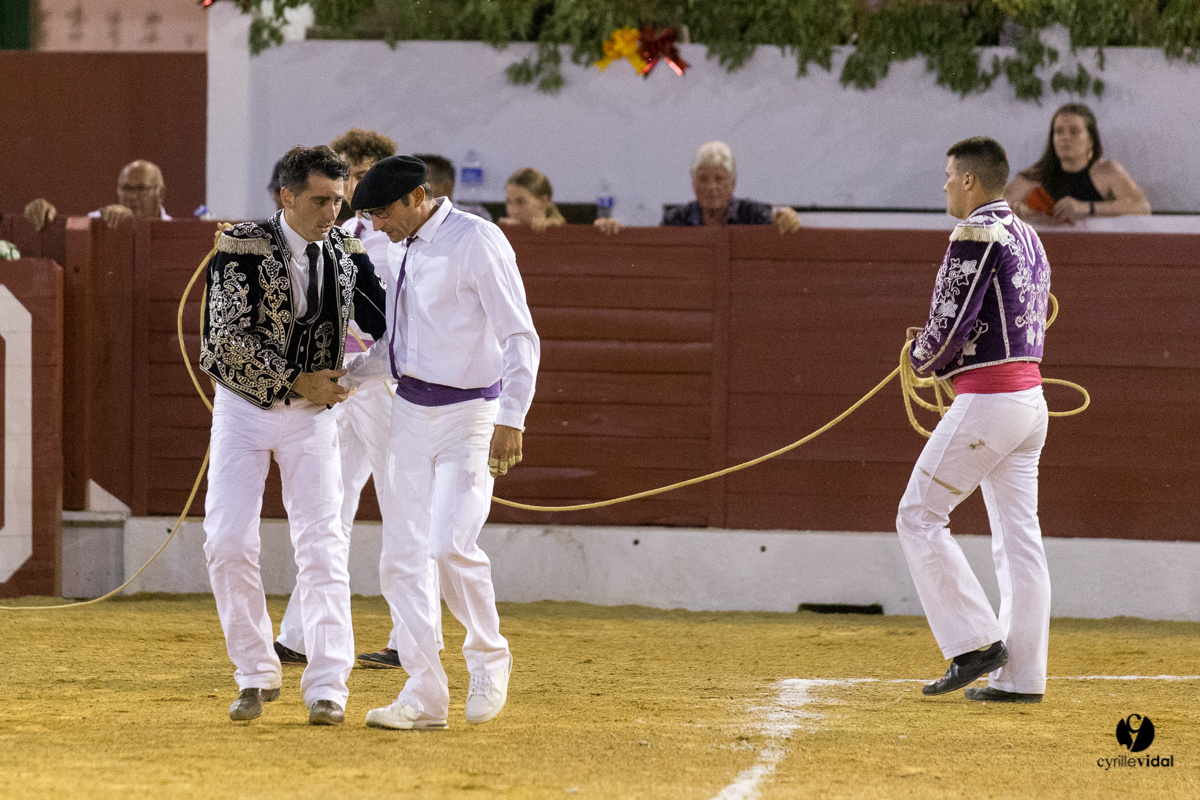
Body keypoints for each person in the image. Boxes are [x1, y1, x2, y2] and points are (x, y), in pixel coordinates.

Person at [345, 155, 539, 730]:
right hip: (408, 410)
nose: (376, 226)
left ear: (417, 197)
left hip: (472, 414)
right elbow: (396, 343)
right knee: (402, 559)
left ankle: (489, 656)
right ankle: (425, 695)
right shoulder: (400, 245)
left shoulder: (478, 241)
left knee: (450, 543)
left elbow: (519, 335)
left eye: (381, 213)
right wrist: (346, 376)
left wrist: (513, 416)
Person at [199, 144, 387, 726]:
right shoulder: (240, 246)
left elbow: (385, 325)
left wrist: (348, 376)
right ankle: (254, 673)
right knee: (227, 541)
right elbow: (222, 343)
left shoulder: (349, 251)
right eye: (319, 200)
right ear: (286, 196)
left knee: (323, 544)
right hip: (246, 410)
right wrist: (297, 379)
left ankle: (329, 684)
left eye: (338, 200)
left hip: (313, 419)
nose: (333, 212)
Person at [899, 137, 1051, 704]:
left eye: (947, 176)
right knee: (1019, 541)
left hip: (989, 401)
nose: (942, 186)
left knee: (917, 515)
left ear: (968, 180)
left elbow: (951, 320)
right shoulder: (1030, 236)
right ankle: (1022, 677)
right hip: (1029, 403)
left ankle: (975, 644)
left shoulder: (975, 233)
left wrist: (921, 361)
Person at [1005, 103, 1150, 224]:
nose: (1065, 138)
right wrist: (1018, 212)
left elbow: (1142, 207)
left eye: (1074, 131)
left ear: (1091, 140)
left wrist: (1087, 208)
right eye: (1059, 131)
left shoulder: (1106, 171)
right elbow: (992, 210)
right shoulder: (1035, 175)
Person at [24, 160, 171, 231]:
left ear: (161, 194)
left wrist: (133, 224)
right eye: (126, 188)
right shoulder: (97, 221)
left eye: (140, 189)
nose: (132, 196)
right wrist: (47, 217)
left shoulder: (175, 231)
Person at [413, 153, 493, 221]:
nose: (414, 190)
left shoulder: (473, 218)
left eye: (423, 183)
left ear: (447, 186)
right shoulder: (408, 220)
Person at [498, 168, 566, 231]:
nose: (514, 211)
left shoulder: (565, 235)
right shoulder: (499, 233)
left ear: (544, 202)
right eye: (509, 202)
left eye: (521, 202)